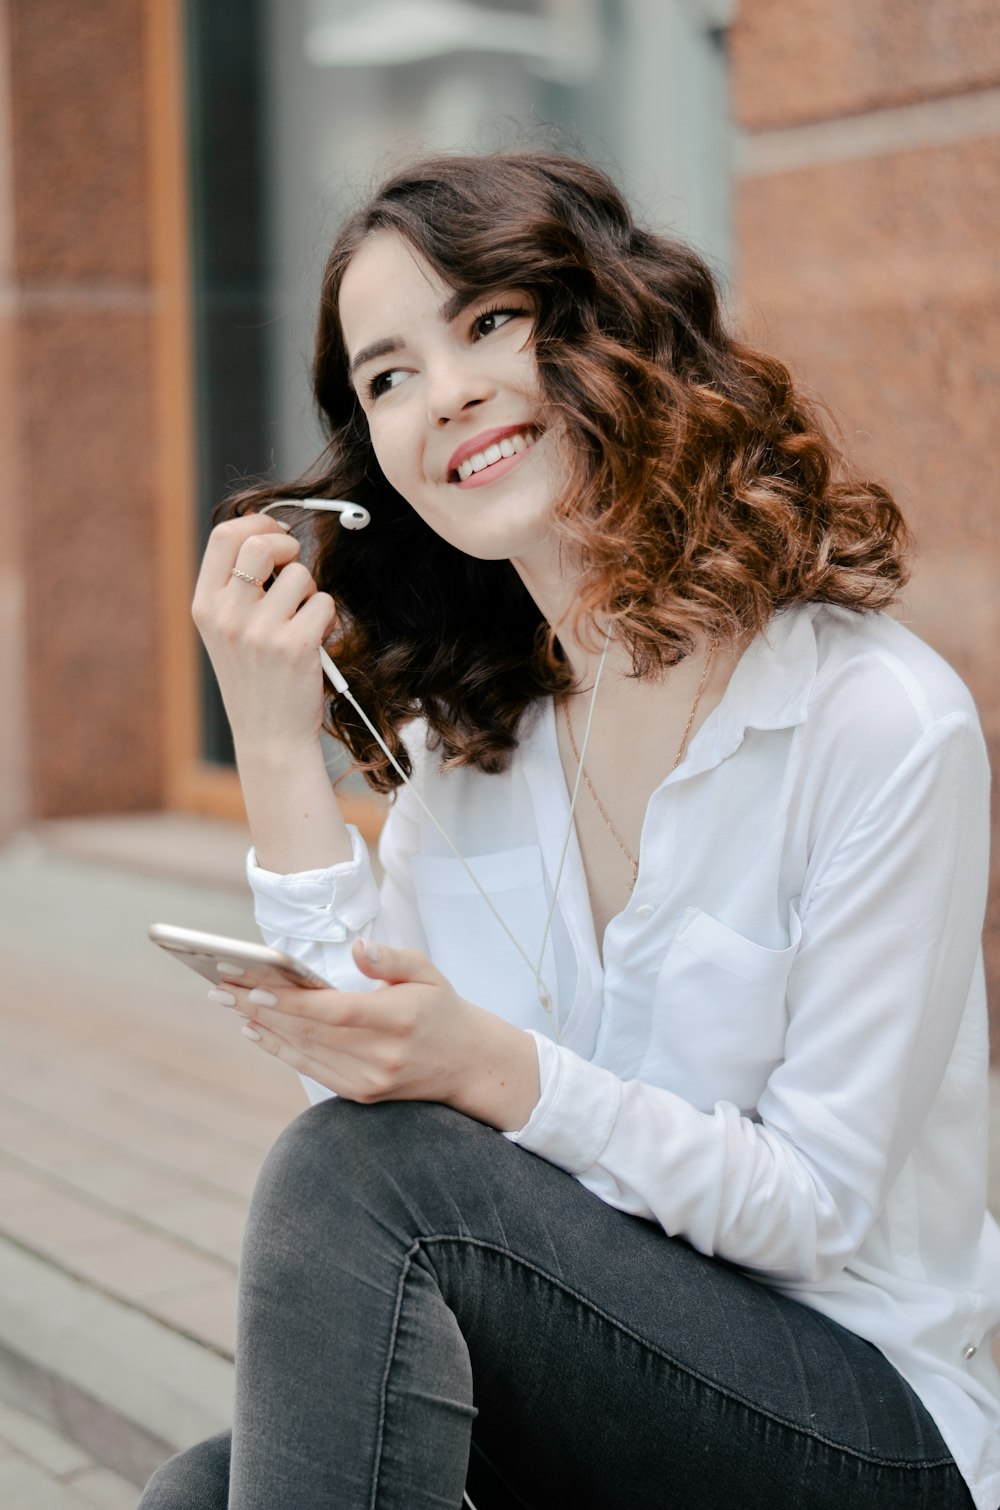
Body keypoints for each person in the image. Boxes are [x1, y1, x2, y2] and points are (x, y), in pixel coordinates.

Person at [139, 151, 999, 1510]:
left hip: (862, 1421)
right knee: (199, 1490)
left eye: (487, 321)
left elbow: (815, 1207)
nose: (450, 392)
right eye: (389, 375)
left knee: (375, 1183)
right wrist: (270, 737)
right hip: (600, 1375)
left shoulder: (878, 721)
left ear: (604, 331)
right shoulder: (474, 746)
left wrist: (496, 1069)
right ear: (382, 462)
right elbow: (362, 1132)